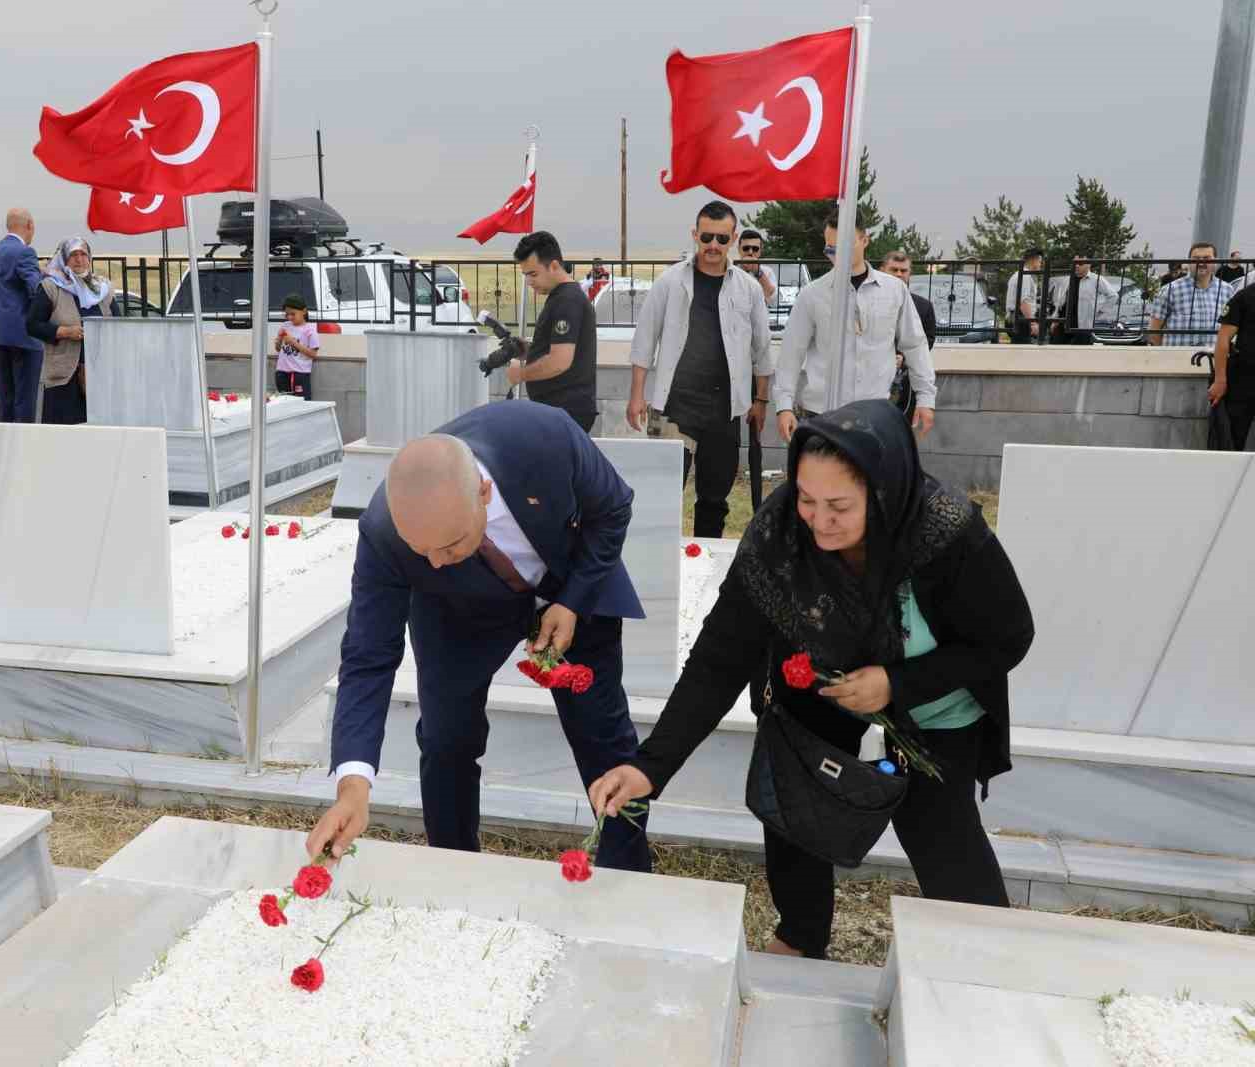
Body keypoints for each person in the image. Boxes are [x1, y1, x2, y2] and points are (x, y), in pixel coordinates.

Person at [589, 399, 1035, 960]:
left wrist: (898, 683)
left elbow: (1009, 637)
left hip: (933, 702)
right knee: (798, 807)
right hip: (818, 690)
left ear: (884, 491)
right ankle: (801, 935)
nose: (819, 522)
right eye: (806, 498)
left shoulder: (945, 534)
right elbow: (720, 658)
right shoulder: (779, 536)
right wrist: (650, 765)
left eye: (839, 506)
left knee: (943, 833)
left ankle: (990, 957)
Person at [305, 401, 652, 874]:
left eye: (449, 545)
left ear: (484, 493)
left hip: (571, 587)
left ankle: (627, 874)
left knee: (604, 737)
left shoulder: (543, 436)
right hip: (455, 613)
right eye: (420, 550)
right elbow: (368, 655)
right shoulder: (384, 532)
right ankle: (455, 872)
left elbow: (612, 508)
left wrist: (572, 602)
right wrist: (353, 786)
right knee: (447, 740)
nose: (434, 562)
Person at [627, 200, 771, 538]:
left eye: (722, 239)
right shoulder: (669, 281)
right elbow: (644, 340)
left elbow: (762, 349)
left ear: (733, 239)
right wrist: (637, 396)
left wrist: (761, 401)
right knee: (660, 493)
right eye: (707, 237)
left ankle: (705, 564)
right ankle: (656, 565)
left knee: (714, 499)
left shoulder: (748, 289)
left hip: (726, 410)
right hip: (675, 406)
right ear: (695, 235)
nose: (713, 246)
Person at [774, 214, 936, 441]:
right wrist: (784, 406)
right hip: (822, 415)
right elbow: (791, 353)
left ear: (864, 240)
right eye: (830, 249)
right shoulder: (813, 294)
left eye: (844, 247)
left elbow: (915, 345)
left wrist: (926, 398)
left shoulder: (894, 290)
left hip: (875, 415)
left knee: (874, 477)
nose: (837, 255)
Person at [508, 231, 598, 433]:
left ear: (554, 265)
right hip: (559, 410)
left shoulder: (567, 300)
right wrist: (530, 351)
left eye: (533, 274)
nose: (529, 282)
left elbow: (559, 361)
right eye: (525, 275)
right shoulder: (561, 297)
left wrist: (520, 374)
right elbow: (562, 350)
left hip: (565, 412)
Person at [25, 237, 114, 425]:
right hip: (64, 377)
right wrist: (65, 332)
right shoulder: (51, 287)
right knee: (62, 436)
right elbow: (32, 325)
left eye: (83, 254)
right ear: (64, 259)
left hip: (99, 374)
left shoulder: (102, 289)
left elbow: (119, 326)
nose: (79, 260)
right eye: (73, 255)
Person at [0, 208, 43, 422]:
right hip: (24, 336)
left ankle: (4, 446)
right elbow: (37, 291)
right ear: (30, 225)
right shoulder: (25, 252)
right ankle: (22, 449)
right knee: (25, 400)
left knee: (6, 398)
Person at [1150, 243, 1238, 348]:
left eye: (1207, 258)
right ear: (1188, 262)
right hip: (1176, 361)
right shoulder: (1170, 290)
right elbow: (1154, 331)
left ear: (1215, 260)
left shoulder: (1227, 291)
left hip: (1212, 360)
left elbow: (1231, 328)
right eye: (1196, 258)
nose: (1201, 263)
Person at [1210, 278, 1255, 450]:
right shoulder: (1244, 297)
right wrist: (1220, 380)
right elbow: (1223, 340)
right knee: (1232, 439)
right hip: (1244, 379)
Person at [1049, 255, 1117, 346]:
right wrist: (1055, 320)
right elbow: (1060, 302)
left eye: (1080, 264)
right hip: (1063, 324)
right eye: (1075, 263)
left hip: (1083, 326)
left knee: (1080, 355)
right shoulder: (1067, 280)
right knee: (1057, 352)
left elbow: (1113, 296)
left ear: (1088, 265)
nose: (1076, 266)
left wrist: (1099, 312)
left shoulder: (1096, 279)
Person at [880, 251, 936, 349]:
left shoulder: (924, 306)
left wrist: (903, 357)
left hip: (907, 363)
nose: (899, 274)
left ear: (910, 273)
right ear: (882, 271)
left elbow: (927, 340)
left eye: (903, 270)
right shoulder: (868, 300)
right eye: (894, 270)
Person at [274, 293, 320, 399]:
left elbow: (313, 354)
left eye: (293, 314)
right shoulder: (285, 325)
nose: (290, 317)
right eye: (287, 314)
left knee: (302, 404)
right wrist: (279, 341)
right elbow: (278, 349)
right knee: (284, 403)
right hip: (281, 372)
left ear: (304, 311)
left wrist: (294, 343)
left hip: (300, 373)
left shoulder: (310, 330)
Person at [1004, 247, 1045, 344]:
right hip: (1021, 319)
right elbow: (1023, 302)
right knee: (1023, 353)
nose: (1040, 264)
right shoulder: (1025, 276)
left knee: (1018, 351)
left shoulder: (1019, 274)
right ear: (1033, 260)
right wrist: (1033, 323)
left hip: (1016, 318)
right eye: (1039, 261)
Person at [737, 228, 776, 303]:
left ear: (760, 251)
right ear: (739, 249)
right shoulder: (730, 271)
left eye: (755, 249)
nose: (750, 252)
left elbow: (772, 299)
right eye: (746, 248)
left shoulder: (767, 271)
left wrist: (758, 272)